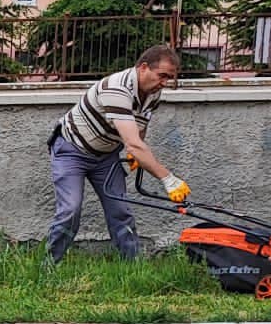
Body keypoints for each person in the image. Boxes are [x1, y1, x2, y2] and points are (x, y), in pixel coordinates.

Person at [46, 43, 191, 265]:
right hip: (71, 150)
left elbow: (139, 127)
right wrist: (167, 178)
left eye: (169, 78)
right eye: (162, 76)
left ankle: (133, 267)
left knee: (120, 210)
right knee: (70, 209)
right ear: (143, 68)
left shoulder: (153, 93)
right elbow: (132, 143)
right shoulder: (117, 89)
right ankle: (49, 264)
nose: (165, 83)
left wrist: (138, 149)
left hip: (105, 156)